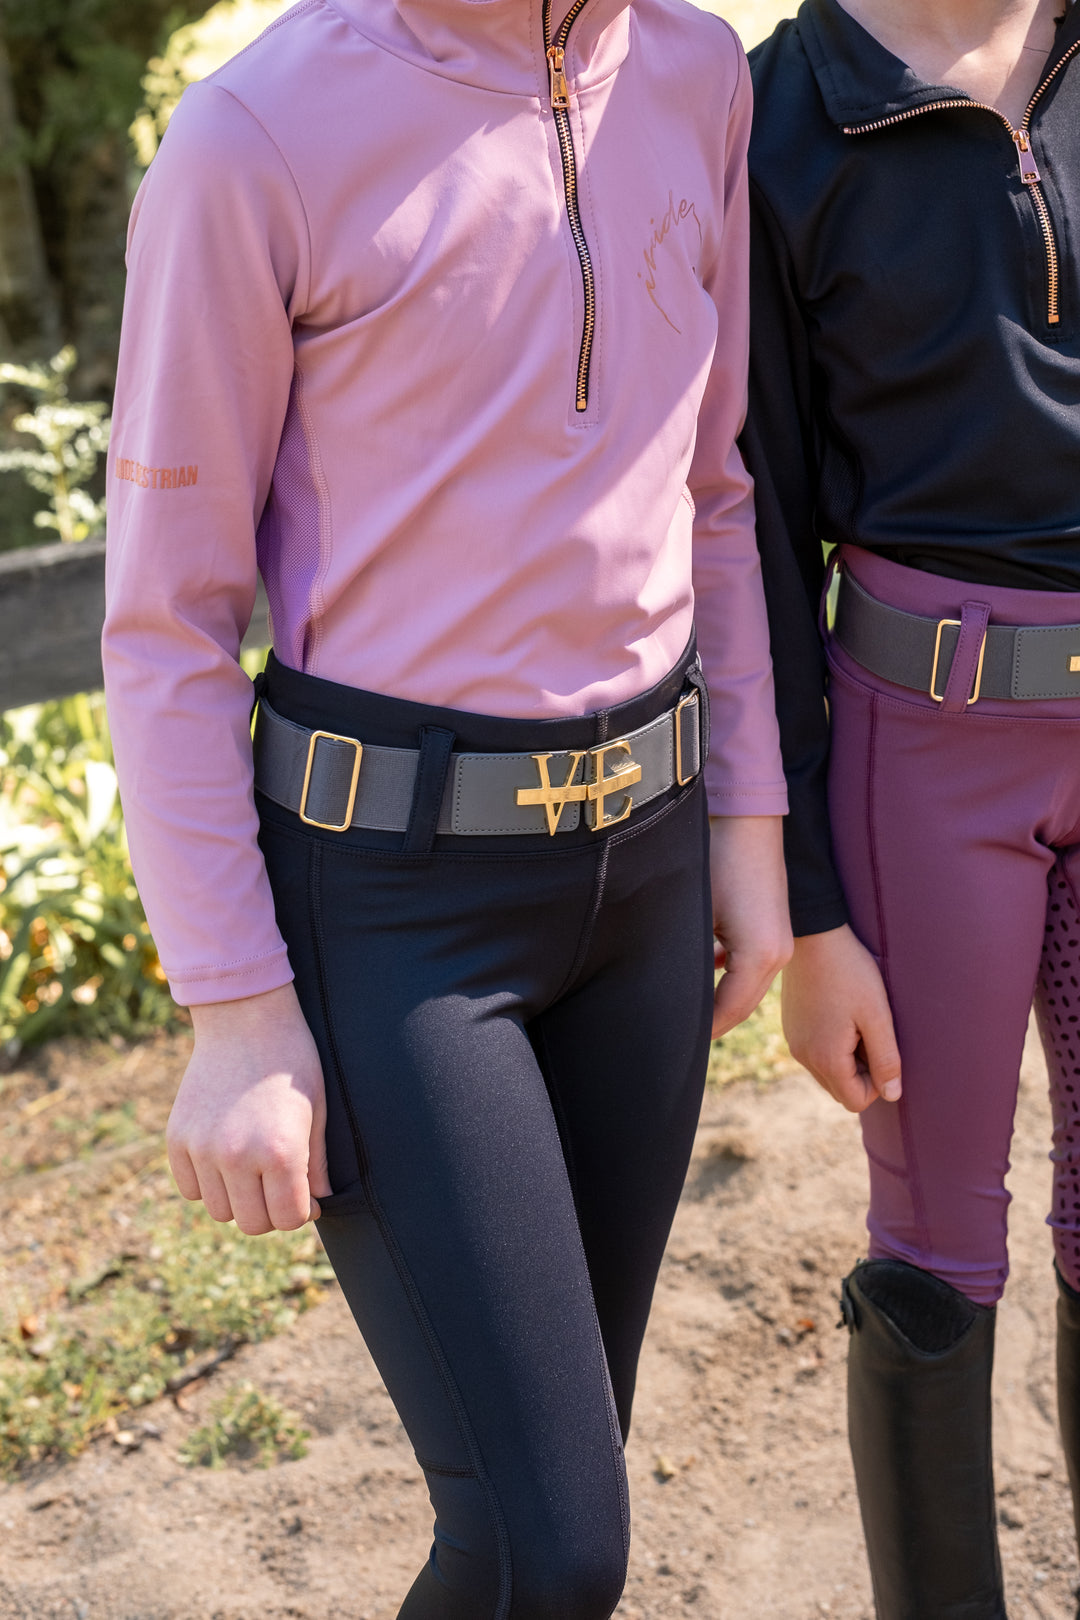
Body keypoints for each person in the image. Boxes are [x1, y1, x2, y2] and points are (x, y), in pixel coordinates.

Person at [102, 2, 792, 1615]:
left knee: (543, 1504)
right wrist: (237, 1015)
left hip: (647, 884)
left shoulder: (694, 74)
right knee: (555, 1544)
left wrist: (748, 828)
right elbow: (165, 622)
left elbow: (713, 490)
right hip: (395, 913)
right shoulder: (251, 139)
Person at [741, 0, 1080, 1611]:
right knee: (939, 1245)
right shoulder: (778, 119)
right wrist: (810, 913)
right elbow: (757, 534)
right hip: (925, 759)